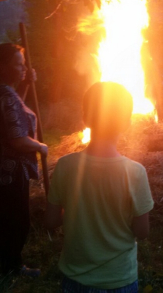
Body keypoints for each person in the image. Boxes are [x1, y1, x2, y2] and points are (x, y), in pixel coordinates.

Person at [45, 81, 154, 293]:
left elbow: (50, 220)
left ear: (84, 118)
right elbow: (142, 231)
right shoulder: (136, 172)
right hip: (119, 279)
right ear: (127, 123)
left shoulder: (65, 165)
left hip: (75, 279)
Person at [0, 43, 47, 276]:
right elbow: (17, 139)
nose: (23, 68)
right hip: (9, 169)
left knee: (4, 214)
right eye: (18, 64)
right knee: (19, 219)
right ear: (3, 66)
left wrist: (25, 85)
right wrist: (40, 146)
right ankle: (12, 266)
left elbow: (14, 113)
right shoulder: (5, 95)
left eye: (23, 63)